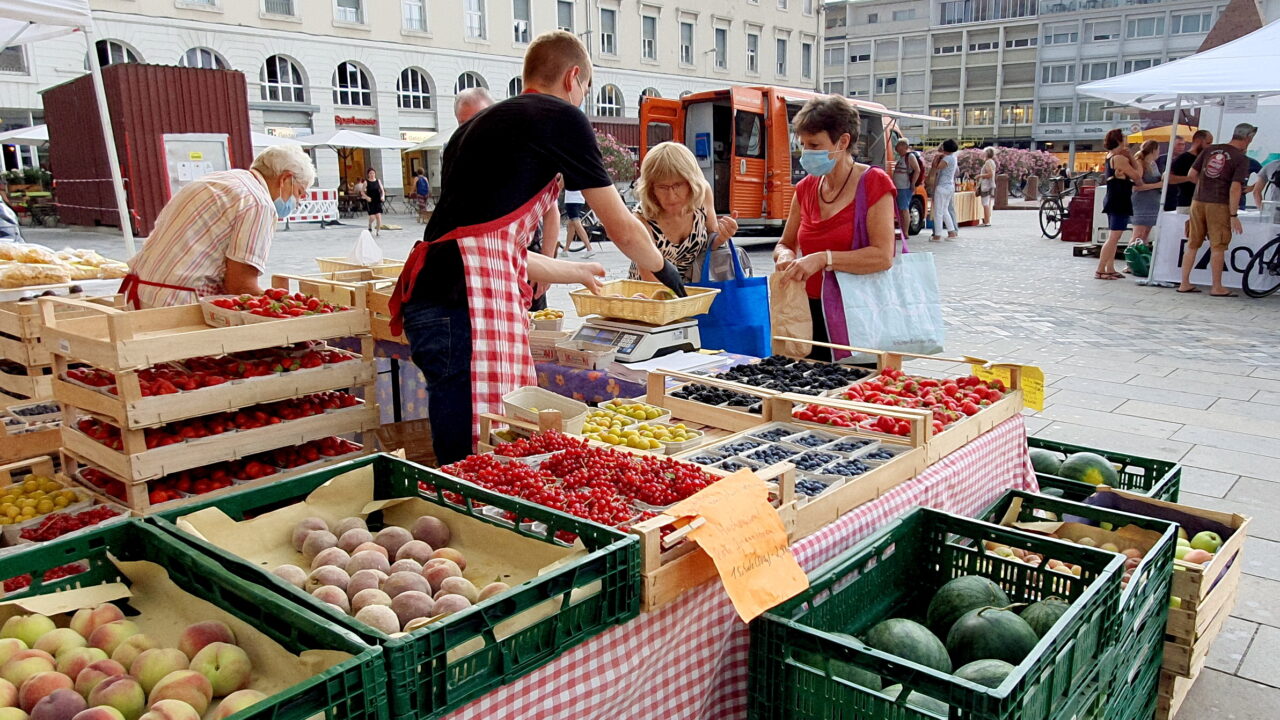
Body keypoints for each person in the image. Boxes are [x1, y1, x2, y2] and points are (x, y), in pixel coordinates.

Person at [390, 30, 679, 464]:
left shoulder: (471, 131)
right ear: (573, 77)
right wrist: (663, 268)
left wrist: (576, 271)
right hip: (463, 306)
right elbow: (621, 226)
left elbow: (495, 249)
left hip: (433, 299)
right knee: (476, 452)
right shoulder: (558, 116)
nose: (582, 99)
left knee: (464, 444)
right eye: (586, 89)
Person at [771, 95, 896, 362]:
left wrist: (823, 259)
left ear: (843, 141)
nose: (806, 153)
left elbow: (883, 256)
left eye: (814, 145)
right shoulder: (805, 188)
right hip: (808, 312)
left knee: (857, 383)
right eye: (803, 144)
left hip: (859, 313)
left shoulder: (873, 182)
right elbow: (785, 243)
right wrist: (785, 255)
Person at [121, 144, 314, 308]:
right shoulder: (258, 203)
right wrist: (287, 309)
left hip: (138, 292)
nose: (297, 202)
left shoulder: (222, 180)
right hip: (176, 305)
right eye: (299, 192)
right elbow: (240, 286)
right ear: (285, 179)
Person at [629, 142, 738, 282]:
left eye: (678, 185)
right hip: (651, 290)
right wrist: (683, 295)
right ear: (650, 188)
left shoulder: (703, 193)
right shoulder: (641, 218)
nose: (671, 196)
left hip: (692, 287)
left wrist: (723, 236)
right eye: (662, 187)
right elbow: (649, 278)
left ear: (691, 182)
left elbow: (711, 243)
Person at [1179, 123, 1256, 297]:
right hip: (1219, 203)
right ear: (1248, 138)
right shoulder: (1241, 158)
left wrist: (1206, 185)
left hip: (1198, 201)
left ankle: (1184, 283)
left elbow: (1191, 175)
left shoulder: (1210, 150)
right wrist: (1233, 215)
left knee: (1192, 243)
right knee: (1218, 245)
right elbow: (1235, 188)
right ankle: (1217, 287)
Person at [1097, 128, 1136, 280]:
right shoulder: (1119, 158)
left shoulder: (1110, 156)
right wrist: (1131, 157)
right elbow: (1137, 174)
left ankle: (1110, 267)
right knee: (1114, 237)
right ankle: (1100, 269)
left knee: (1113, 237)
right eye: (1124, 138)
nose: (1127, 141)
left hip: (1114, 197)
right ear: (1119, 140)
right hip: (1119, 199)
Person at [1166, 130, 1212, 212]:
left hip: (1203, 203)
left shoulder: (1206, 158)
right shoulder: (1183, 158)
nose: (1210, 146)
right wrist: (1189, 178)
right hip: (1186, 203)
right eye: (1208, 143)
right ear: (1198, 141)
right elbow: (1168, 178)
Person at [1130, 140, 1165, 246]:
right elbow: (1136, 187)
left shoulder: (1153, 164)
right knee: (1138, 235)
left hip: (1152, 202)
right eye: (1158, 149)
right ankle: (1131, 254)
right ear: (1153, 150)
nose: (1159, 152)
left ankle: (1141, 254)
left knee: (1145, 234)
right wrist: (1157, 185)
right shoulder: (1140, 163)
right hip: (1142, 203)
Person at [929, 139, 959, 242]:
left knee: (938, 212)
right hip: (950, 186)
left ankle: (937, 235)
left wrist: (936, 159)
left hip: (942, 186)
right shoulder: (953, 157)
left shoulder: (947, 159)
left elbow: (937, 167)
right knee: (945, 210)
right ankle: (951, 232)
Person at [891, 139, 921, 240]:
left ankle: (905, 232)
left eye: (899, 146)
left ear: (904, 147)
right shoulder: (901, 158)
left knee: (904, 209)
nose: (897, 148)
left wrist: (913, 183)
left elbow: (917, 170)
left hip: (904, 187)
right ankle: (902, 231)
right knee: (900, 210)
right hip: (899, 187)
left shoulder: (910, 157)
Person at [561, 189, 595, 257]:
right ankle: (565, 250)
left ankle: (589, 248)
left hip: (571, 200)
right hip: (580, 200)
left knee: (576, 223)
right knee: (571, 225)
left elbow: (561, 184)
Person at [361, 168, 385, 237]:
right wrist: (367, 197)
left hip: (377, 200)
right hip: (371, 200)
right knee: (372, 217)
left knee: (378, 216)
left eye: (373, 173)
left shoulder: (378, 181)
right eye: (370, 173)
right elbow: (362, 192)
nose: (372, 175)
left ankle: (378, 231)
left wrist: (383, 196)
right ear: (368, 174)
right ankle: (370, 224)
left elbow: (382, 190)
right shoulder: (366, 182)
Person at [978, 147, 998, 227]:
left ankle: (986, 221)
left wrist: (980, 176)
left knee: (985, 203)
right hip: (990, 185)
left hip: (986, 185)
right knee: (987, 203)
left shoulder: (988, 162)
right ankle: (987, 220)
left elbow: (990, 174)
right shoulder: (992, 162)